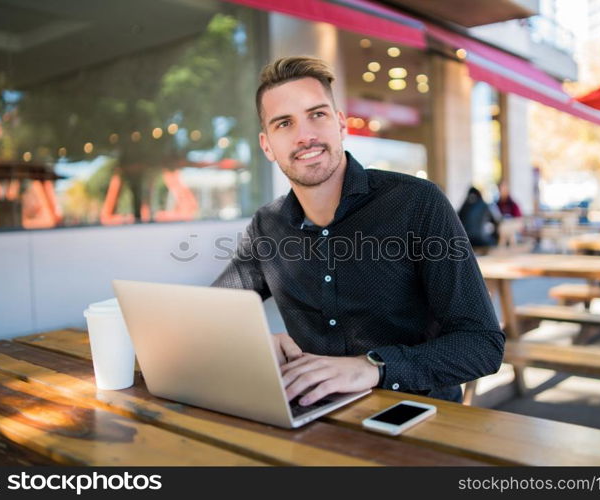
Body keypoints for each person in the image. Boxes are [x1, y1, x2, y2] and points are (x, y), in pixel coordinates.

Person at [213, 56, 504, 405]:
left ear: (340, 124)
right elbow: (213, 309)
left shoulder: (417, 202)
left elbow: (482, 343)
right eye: (284, 123)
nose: (305, 135)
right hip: (315, 413)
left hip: (418, 414)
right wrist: (255, 341)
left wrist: (374, 367)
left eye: (317, 115)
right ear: (267, 146)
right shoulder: (267, 226)